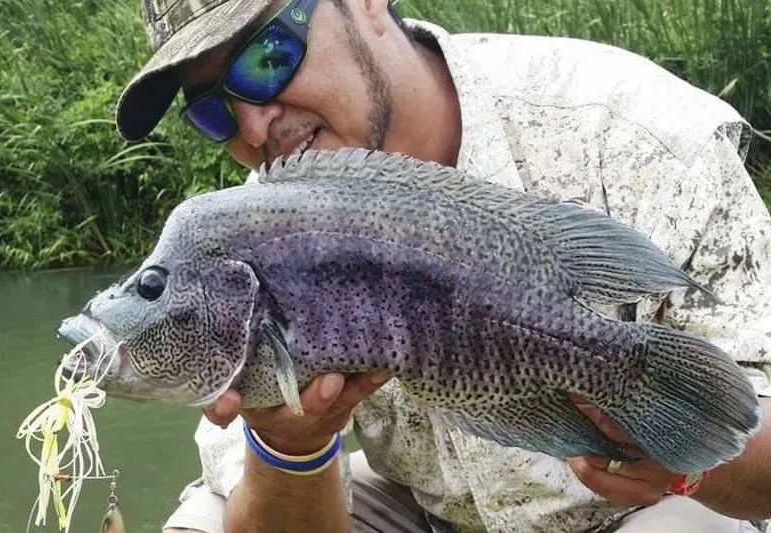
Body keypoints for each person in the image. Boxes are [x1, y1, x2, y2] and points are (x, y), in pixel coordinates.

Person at [114, 0, 771, 531]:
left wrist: (685, 459)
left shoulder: (632, 128)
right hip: (433, 513)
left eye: (267, 58)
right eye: (209, 110)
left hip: (645, 514)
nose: (253, 127)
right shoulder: (249, 237)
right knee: (209, 514)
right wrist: (291, 446)